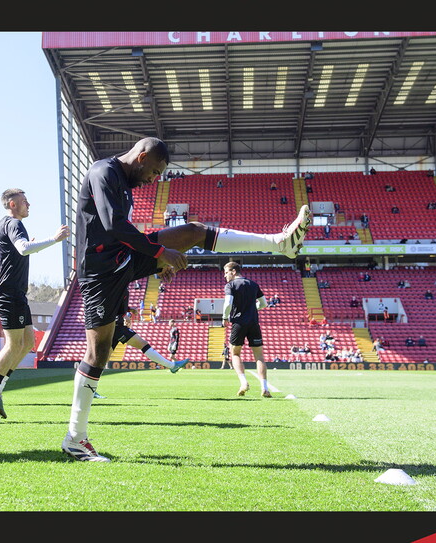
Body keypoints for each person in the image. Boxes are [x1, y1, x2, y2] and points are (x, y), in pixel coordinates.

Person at [61, 137, 311, 461]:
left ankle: (280, 243)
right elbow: (113, 225)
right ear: (142, 156)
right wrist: (160, 253)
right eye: (154, 171)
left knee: (193, 231)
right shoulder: (103, 171)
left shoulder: (124, 183)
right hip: (100, 273)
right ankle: (75, 438)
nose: (155, 179)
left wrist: (156, 263)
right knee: (99, 353)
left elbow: (122, 233)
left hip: (124, 258)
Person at [0, 189, 69, 423]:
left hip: (16, 293)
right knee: (14, 343)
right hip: (9, 293)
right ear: (13, 203)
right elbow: (23, 248)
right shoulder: (14, 224)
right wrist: (54, 240)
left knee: (27, 343)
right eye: (26, 201)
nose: (29, 204)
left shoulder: (1, 225)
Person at [221, 261, 272, 398]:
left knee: (235, 353)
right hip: (254, 322)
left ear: (233, 271)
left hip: (238, 322)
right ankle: (265, 388)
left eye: (226, 272)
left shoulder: (230, 285)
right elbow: (264, 303)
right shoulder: (253, 284)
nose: (225, 276)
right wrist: (252, 309)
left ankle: (244, 383)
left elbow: (228, 304)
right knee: (259, 356)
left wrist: (225, 317)